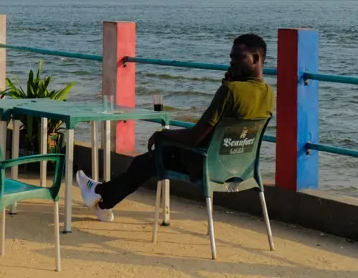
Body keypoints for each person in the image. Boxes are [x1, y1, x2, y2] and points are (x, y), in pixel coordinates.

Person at [75, 33, 275, 222]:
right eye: (231, 57)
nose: (232, 62)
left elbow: (195, 136)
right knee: (148, 161)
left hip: (204, 165)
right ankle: (102, 200)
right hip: (240, 169)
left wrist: (162, 134)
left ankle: (100, 193)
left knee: (148, 160)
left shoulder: (230, 91)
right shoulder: (269, 93)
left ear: (256, 58)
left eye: (239, 57)